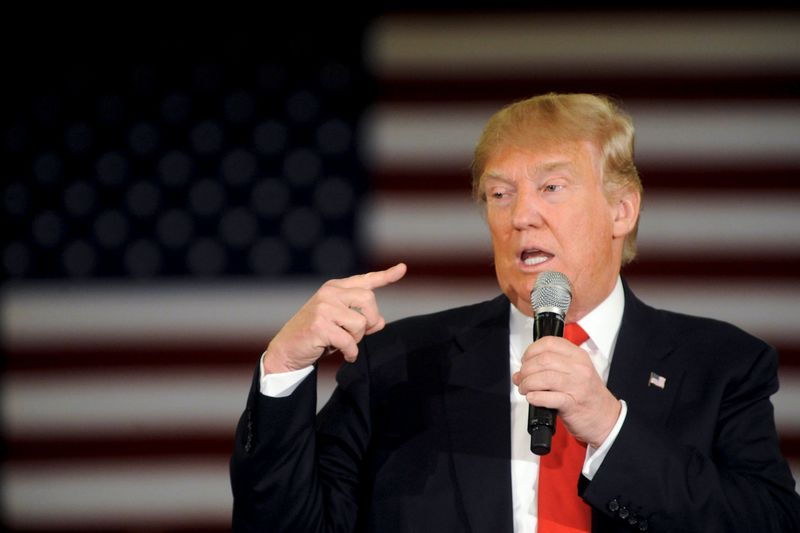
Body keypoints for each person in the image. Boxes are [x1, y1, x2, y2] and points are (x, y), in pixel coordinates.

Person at [230, 93, 800, 532]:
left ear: (621, 209)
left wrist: (610, 428)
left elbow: (769, 522)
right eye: (500, 195)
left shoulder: (722, 364)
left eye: (551, 187)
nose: (521, 215)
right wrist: (282, 368)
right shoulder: (398, 366)